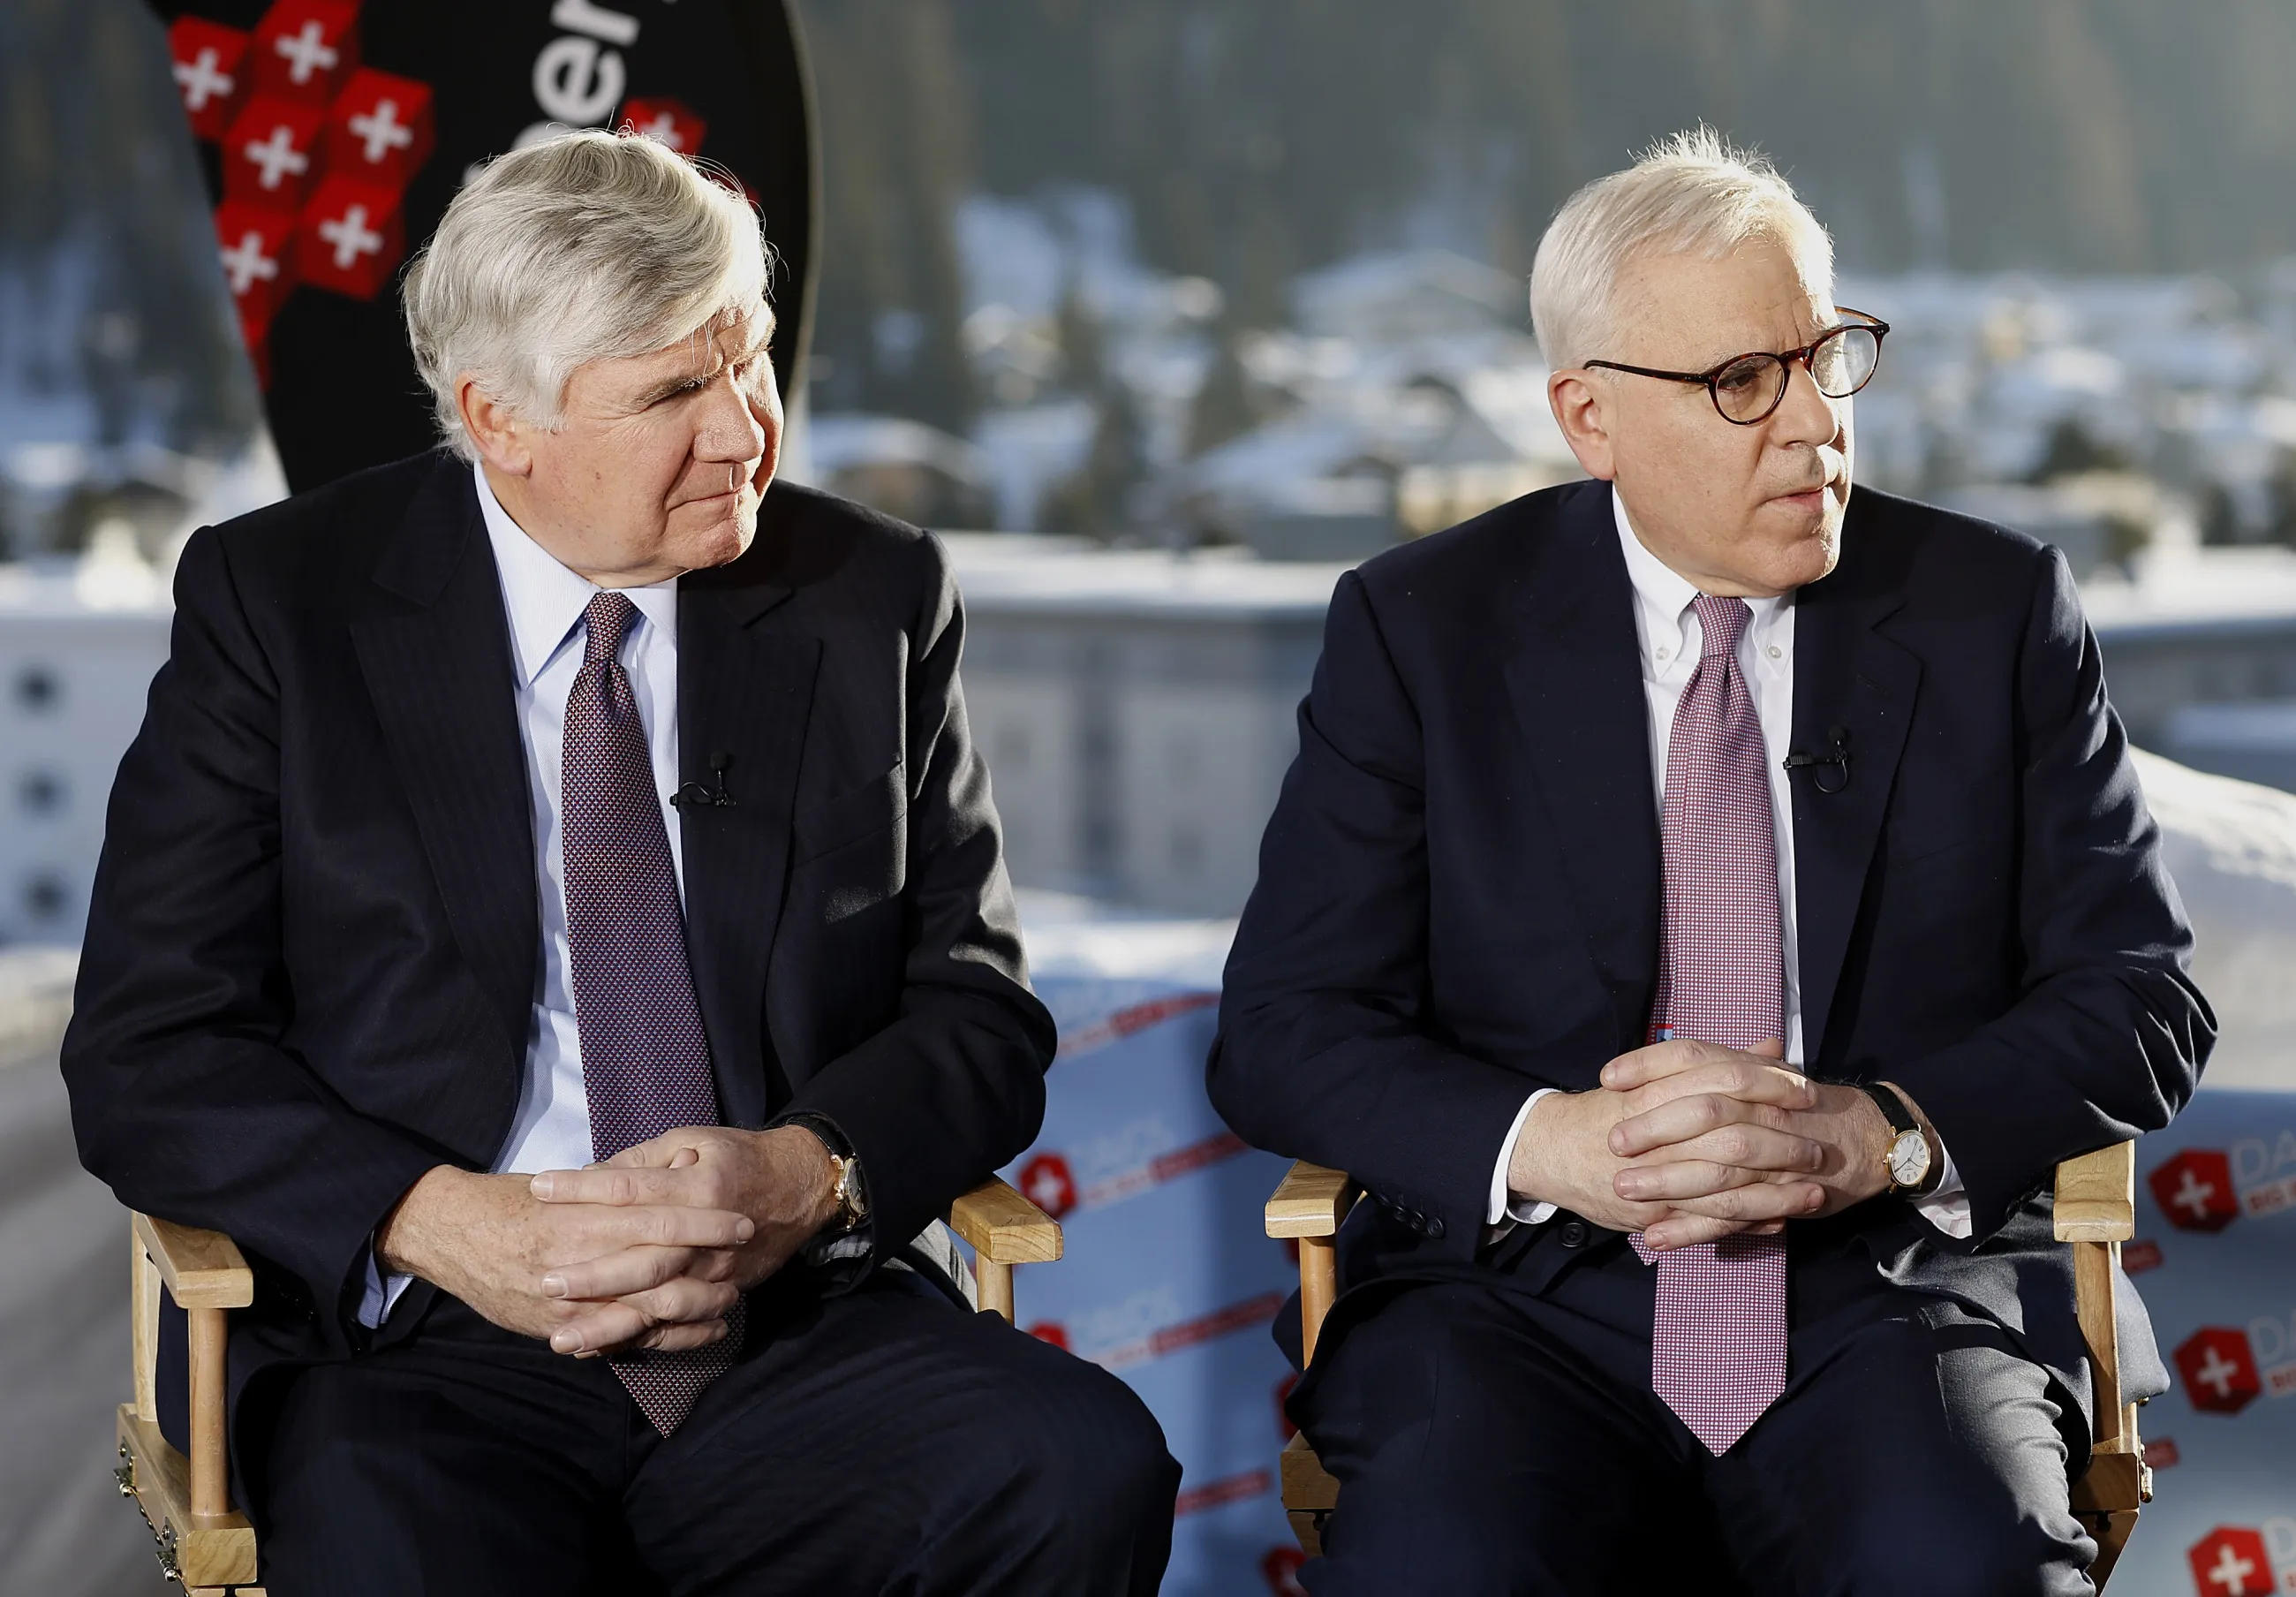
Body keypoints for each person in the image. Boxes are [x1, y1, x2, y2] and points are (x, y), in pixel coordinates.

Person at [64, 129, 1176, 1596]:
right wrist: (441, 1223)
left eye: (751, 358)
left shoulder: (869, 595)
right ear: (498, 420)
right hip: (426, 1340)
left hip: (789, 1309)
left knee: (1072, 1463)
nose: (746, 432)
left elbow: (975, 1010)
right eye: (672, 393)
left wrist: (809, 1172)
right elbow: (149, 1049)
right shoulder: (283, 606)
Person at [1208, 129, 2213, 1594]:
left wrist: (1874, 1132)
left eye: (1830, 355)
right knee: (1440, 1563)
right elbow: (1283, 1030)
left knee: (1964, 1561)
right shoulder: (1424, 630)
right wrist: (1548, 1145)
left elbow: (2141, 995)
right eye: (1747, 381)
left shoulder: (1994, 610)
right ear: (1590, 416)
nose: (1816, 426)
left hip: (1893, 1285)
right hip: (1517, 1302)